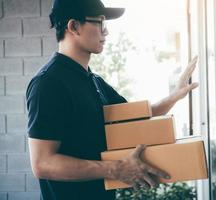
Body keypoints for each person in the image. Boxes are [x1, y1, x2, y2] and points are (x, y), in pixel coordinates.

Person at [25, 0, 199, 199]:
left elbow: (137, 117)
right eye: (100, 23)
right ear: (74, 26)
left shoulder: (94, 81)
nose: (106, 32)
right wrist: (115, 169)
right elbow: (42, 163)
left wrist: (176, 95)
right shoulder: (48, 83)